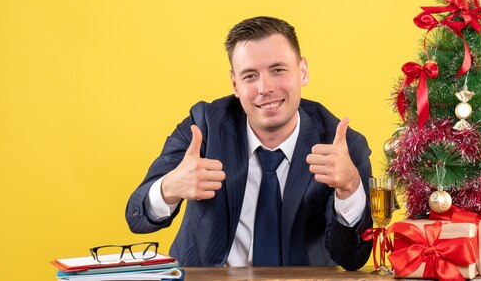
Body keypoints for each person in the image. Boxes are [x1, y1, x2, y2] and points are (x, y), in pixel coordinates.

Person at [126, 16, 373, 270]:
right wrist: (170, 187)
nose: (264, 88)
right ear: (235, 84)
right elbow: (137, 217)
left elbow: (353, 259)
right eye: (250, 76)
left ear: (303, 71)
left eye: (278, 70)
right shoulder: (204, 125)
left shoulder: (343, 146)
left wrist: (350, 189)